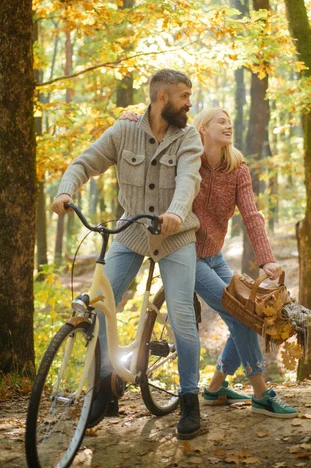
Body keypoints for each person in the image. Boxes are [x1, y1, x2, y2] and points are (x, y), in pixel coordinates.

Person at [52, 69, 204, 440]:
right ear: (161, 98)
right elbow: (85, 161)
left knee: (182, 315)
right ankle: (104, 388)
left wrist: (175, 213)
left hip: (175, 236)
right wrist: (64, 191)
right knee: (101, 305)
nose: (189, 103)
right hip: (132, 231)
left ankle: (189, 400)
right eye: (183, 96)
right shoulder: (124, 130)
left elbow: (188, 181)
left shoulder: (189, 136)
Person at [122, 107, 297, 418]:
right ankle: (261, 393)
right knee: (240, 316)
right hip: (185, 254)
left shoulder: (237, 169)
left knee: (248, 316)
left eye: (230, 121)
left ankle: (215, 389)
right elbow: (158, 136)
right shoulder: (187, 159)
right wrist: (136, 118)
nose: (228, 125)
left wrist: (266, 260)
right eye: (221, 121)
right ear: (202, 128)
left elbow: (252, 215)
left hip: (214, 256)